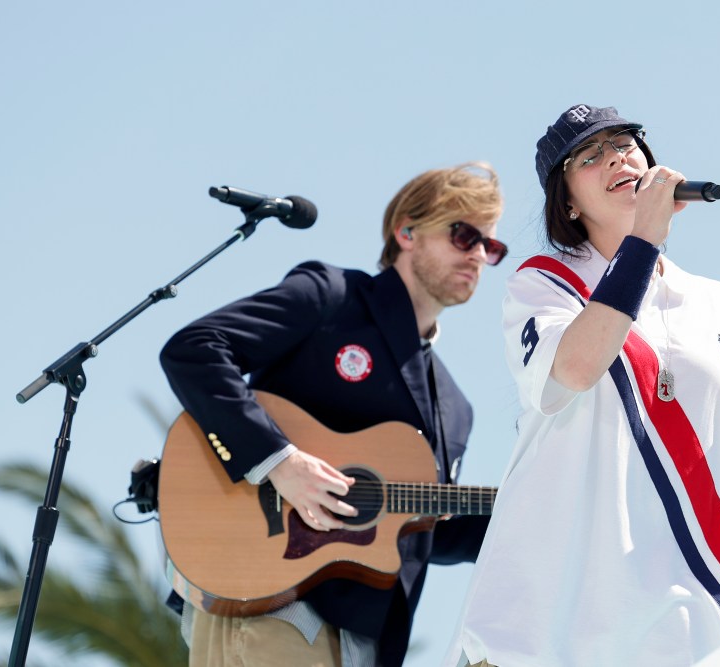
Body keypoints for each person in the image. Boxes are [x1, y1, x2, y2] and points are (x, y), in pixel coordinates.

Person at [445, 104, 720, 666]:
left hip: (677, 630)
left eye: (627, 143)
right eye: (588, 156)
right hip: (540, 630)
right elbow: (573, 368)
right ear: (567, 200)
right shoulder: (546, 282)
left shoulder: (717, 301)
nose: (617, 156)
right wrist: (643, 239)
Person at [159, 162, 507, 667]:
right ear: (406, 231)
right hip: (272, 606)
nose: (478, 254)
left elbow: (423, 528)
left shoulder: (456, 407)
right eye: (464, 235)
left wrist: (527, 512)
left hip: (365, 640)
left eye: (490, 247)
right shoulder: (332, 297)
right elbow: (195, 350)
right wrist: (281, 463)